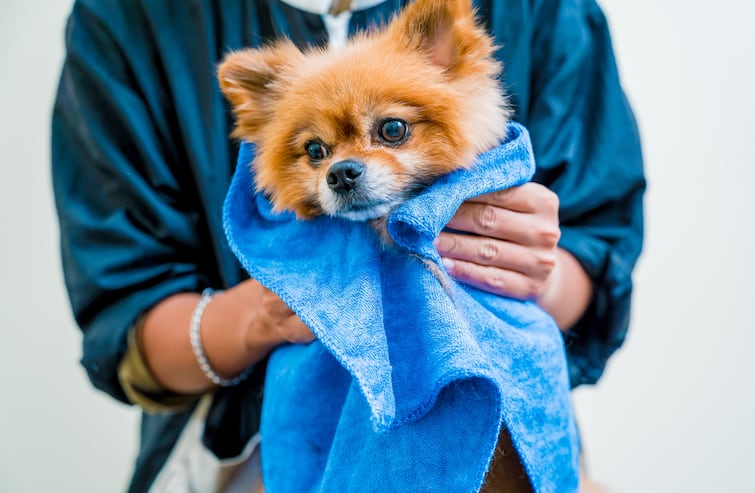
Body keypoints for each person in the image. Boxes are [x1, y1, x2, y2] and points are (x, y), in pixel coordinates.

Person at [51, 0, 645, 491]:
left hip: (504, 440)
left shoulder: (543, 11)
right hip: (253, 456)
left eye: (390, 131)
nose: (345, 168)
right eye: (317, 152)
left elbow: (601, 246)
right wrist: (265, 314)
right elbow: (123, 314)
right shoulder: (129, 17)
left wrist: (531, 272)